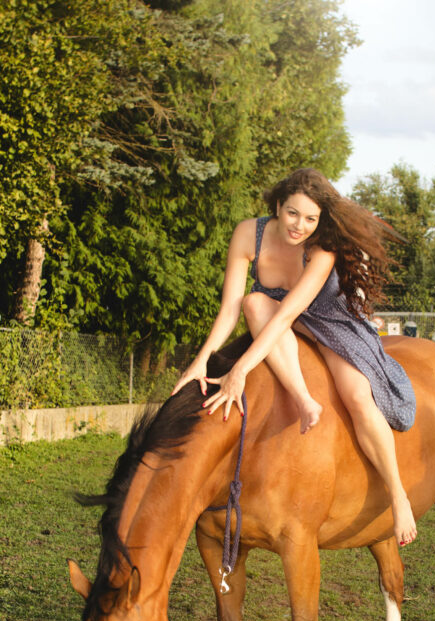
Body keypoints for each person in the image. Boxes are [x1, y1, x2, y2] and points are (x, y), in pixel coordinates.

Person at [172, 168, 417, 546]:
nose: (299, 226)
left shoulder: (322, 248)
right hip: (279, 318)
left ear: (320, 220)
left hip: (331, 322)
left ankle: (398, 496)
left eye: (310, 218)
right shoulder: (247, 234)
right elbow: (230, 311)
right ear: (277, 206)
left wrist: (240, 370)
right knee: (254, 302)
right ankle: (305, 400)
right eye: (292, 213)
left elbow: (289, 313)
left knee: (356, 395)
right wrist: (200, 361)